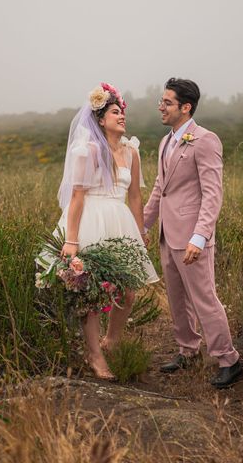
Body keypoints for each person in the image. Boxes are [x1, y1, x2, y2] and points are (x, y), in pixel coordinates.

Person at [54, 83, 159, 381]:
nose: (122, 116)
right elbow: (77, 196)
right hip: (90, 220)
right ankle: (94, 355)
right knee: (94, 293)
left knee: (127, 292)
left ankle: (111, 340)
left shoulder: (132, 152)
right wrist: (71, 240)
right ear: (101, 119)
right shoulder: (87, 151)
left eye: (122, 112)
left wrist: (140, 231)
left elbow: (136, 197)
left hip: (120, 222)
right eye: (115, 112)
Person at [143, 78, 243, 389]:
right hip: (166, 235)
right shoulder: (165, 142)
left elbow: (213, 194)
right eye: (162, 101)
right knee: (176, 298)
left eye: (167, 102)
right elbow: (161, 189)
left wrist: (200, 237)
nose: (161, 106)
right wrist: (144, 225)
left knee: (204, 298)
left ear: (185, 107)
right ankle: (188, 350)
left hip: (192, 238)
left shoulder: (205, 140)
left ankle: (229, 360)